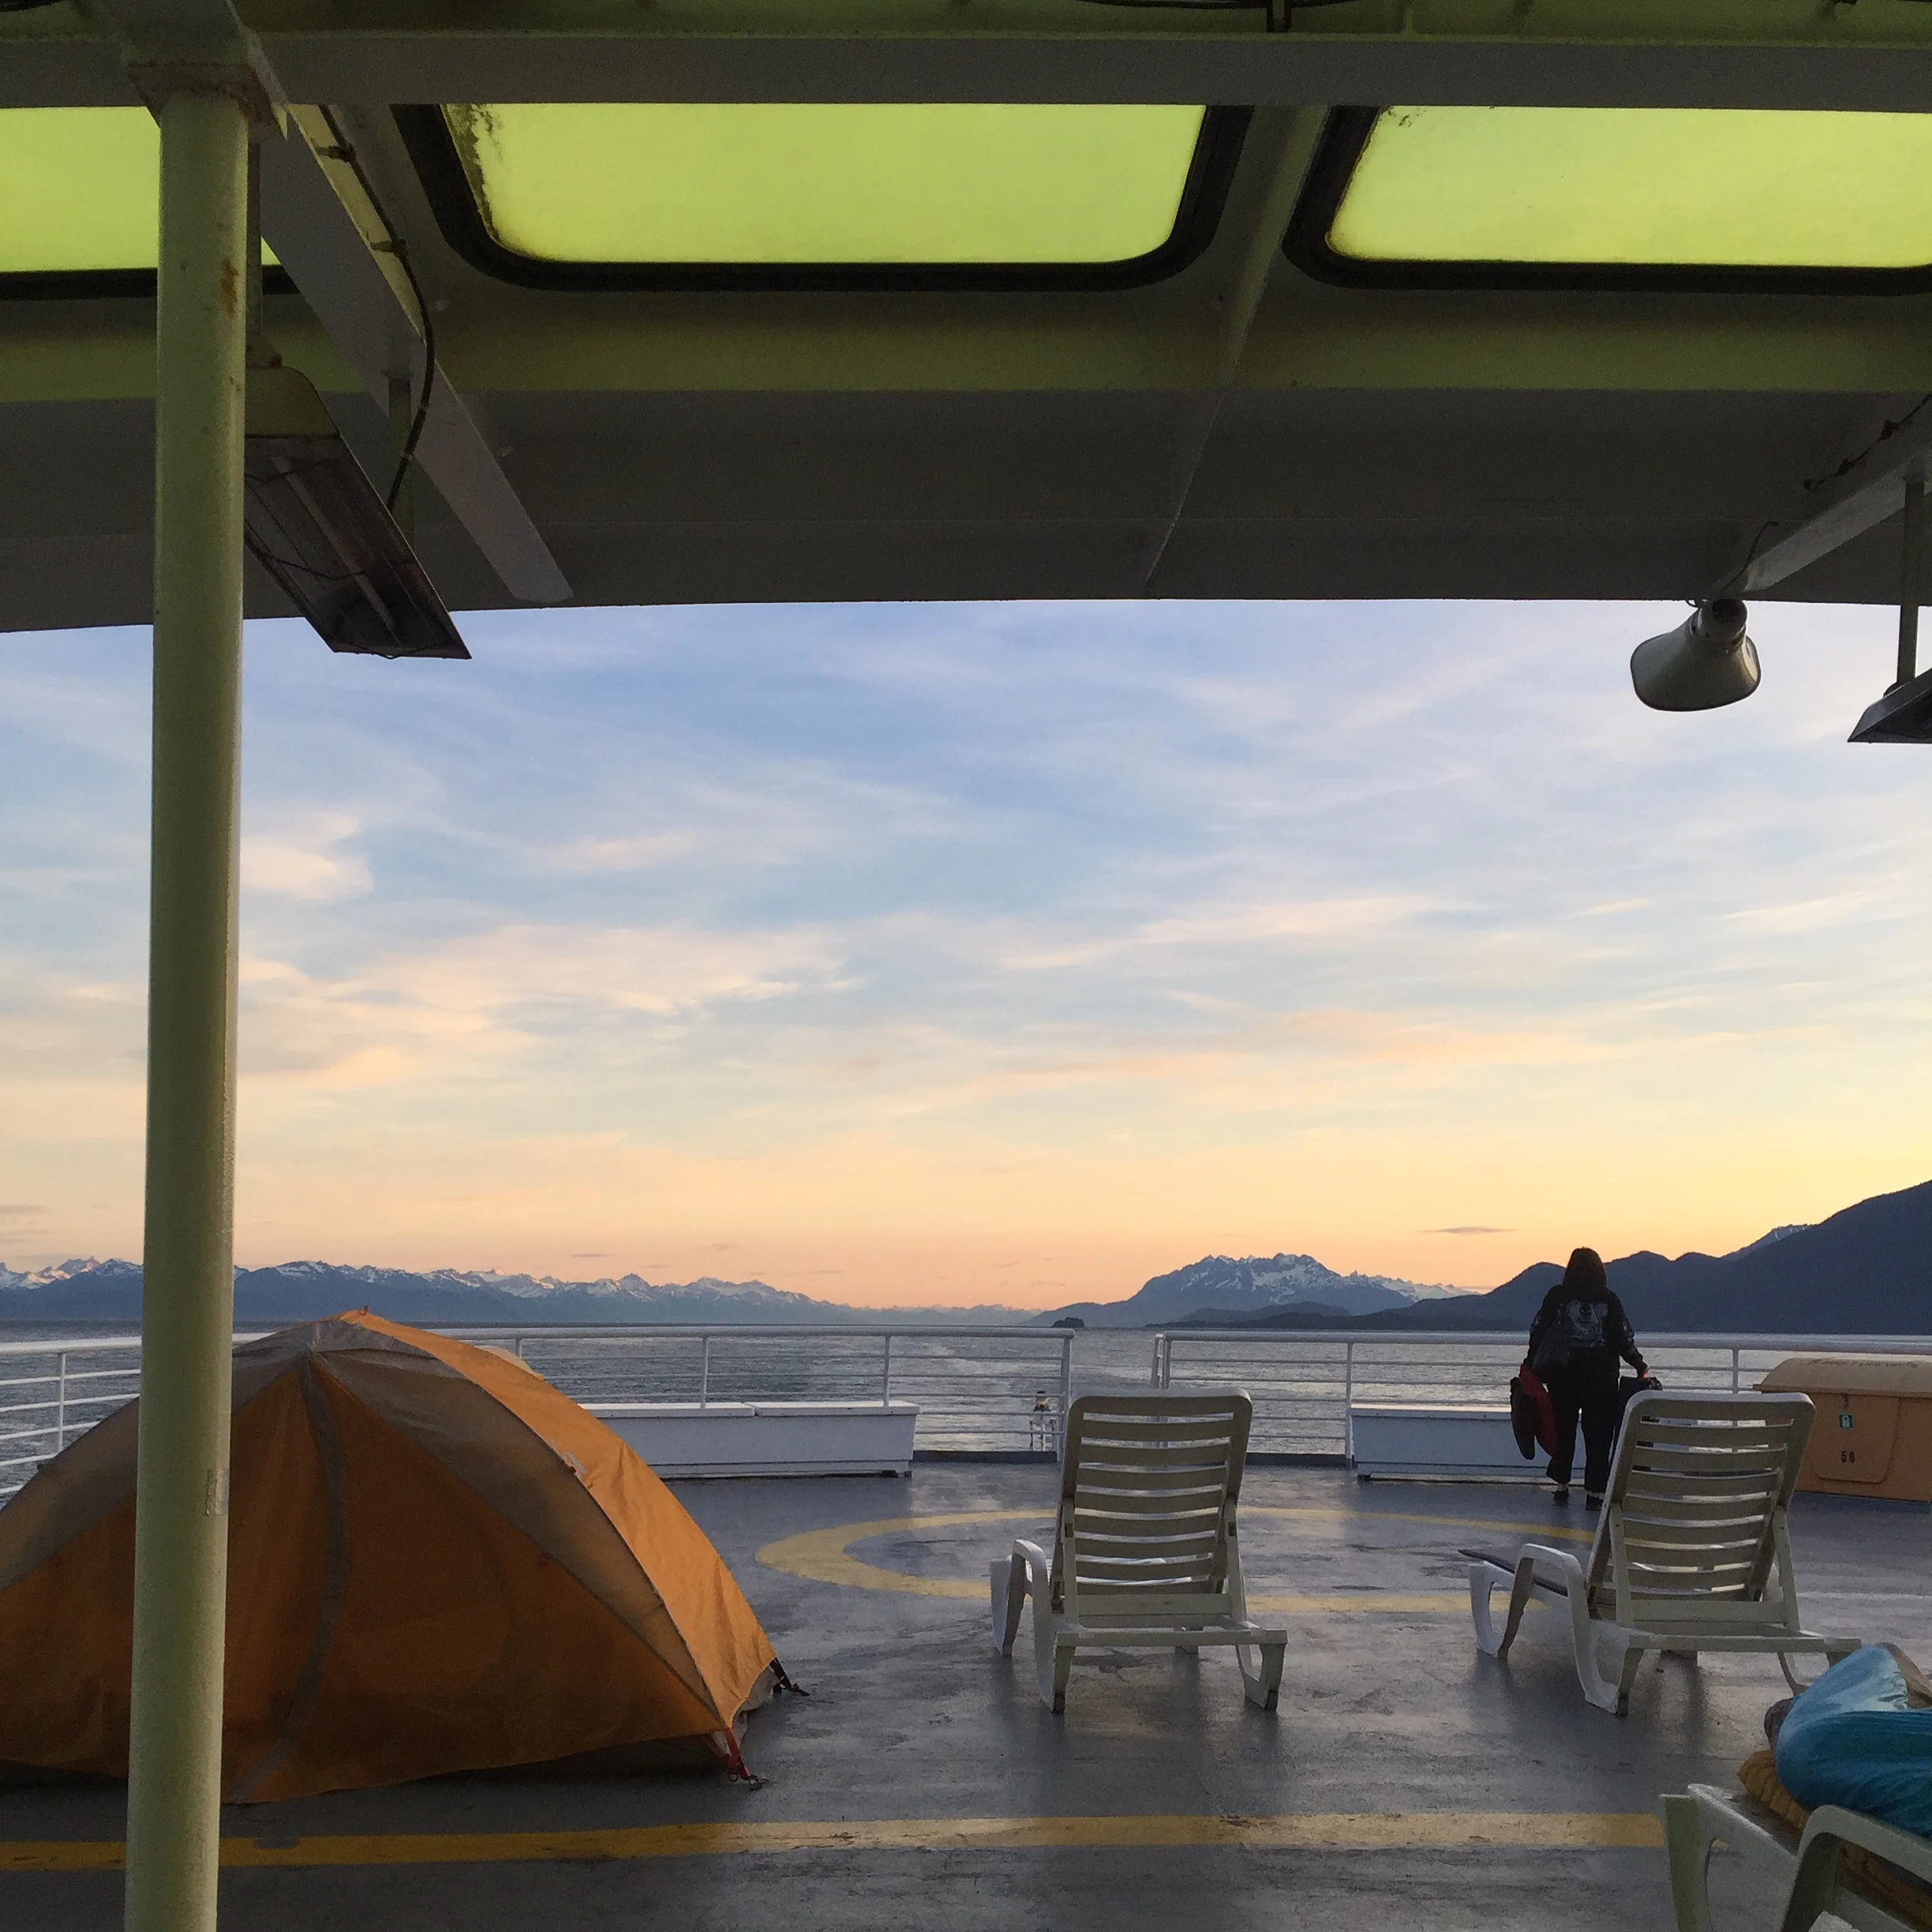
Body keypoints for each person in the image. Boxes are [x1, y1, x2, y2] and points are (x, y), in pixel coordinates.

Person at [1526, 1247, 1646, 1509]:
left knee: (1563, 1430)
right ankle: (1595, 1492)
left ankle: (1561, 1484)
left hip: (1562, 1376)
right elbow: (1623, 1337)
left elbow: (1538, 1332)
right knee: (1598, 1436)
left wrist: (1530, 1365)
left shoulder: (1558, 1297)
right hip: (1601, 1379)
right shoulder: (1609, 1299)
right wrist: (1639, 1364)